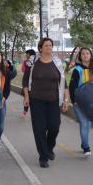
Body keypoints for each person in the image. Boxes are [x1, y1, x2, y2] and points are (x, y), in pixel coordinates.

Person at [22, 38, 69, 168]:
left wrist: (66, 100)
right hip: (36, 101)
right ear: (40, 48)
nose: (49, 47)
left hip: (54, 100)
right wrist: (26, 96)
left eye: (50, 45)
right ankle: (43, 156)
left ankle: (49, 147)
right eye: (46, 45)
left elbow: (65, 84)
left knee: (55, 126)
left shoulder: (57, 63)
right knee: (39, 129)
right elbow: (25, 81)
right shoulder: (33, 63)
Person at [69, 47, 93, 156]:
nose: (85, 55)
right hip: (79, 102)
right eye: (83, 54)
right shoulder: (77, 70)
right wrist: (74, 100)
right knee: (84, 123)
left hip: (92, 103)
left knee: (88, 125)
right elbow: (72, 87)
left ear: (90, 55)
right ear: (80, 57)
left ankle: (84, 144)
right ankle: (86, 147)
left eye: (87, 53)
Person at [0, 50, 15, 157]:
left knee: (0, 126)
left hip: (1, 100)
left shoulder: (6, 71)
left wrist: (4, 98)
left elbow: (7, 88)